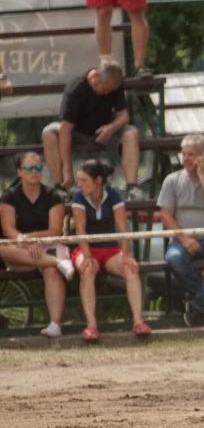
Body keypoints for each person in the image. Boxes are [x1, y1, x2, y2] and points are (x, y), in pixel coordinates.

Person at [157, 134, 204, 326]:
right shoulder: (172, 180)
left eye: (191, 155)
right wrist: (184, 239)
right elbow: (166, 215)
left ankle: (197, 304)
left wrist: (202, 176)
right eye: (183, 154)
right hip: (182, 238)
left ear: (203, 156)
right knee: (174, 258)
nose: (185, 158)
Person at [71, 158, 151, 342]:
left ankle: (138, 322)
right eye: (79, 180)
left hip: (110, 249)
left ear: (98, 181)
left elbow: (123, 227)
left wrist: (126, 256)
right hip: (86, 248)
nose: (79, 185)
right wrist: (87, 257)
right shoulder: (78, 196)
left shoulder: (113, 195)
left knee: (130, 268)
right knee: (87, 269)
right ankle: (91, 325)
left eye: (84, 181)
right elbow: (80, 229)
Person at [0, 152, 76, 338]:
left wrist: (33, 239)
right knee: (2, 248)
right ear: (19, 171)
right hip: (21, 251)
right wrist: (25, 242)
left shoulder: (53, 196)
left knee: (51, 271)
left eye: (38, 168)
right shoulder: (9, 197)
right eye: (29, 168)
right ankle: (57, 262)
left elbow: (55, 230)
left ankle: (55, 324)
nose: (34, 172)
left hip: (46, 244)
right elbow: (9, 229)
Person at [41, 62, 142, 200]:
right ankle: (59, 188)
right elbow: (65, 130)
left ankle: (132, 188)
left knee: (131, 133)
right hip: (75, 132)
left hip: (103, 131)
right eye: (105, 88)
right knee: (48, 133)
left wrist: (111, 128)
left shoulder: (115, 85)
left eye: (110, 90)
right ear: (95, 77)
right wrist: (67, 170)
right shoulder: (76, 88)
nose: (107, 93)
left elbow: (124, 116)